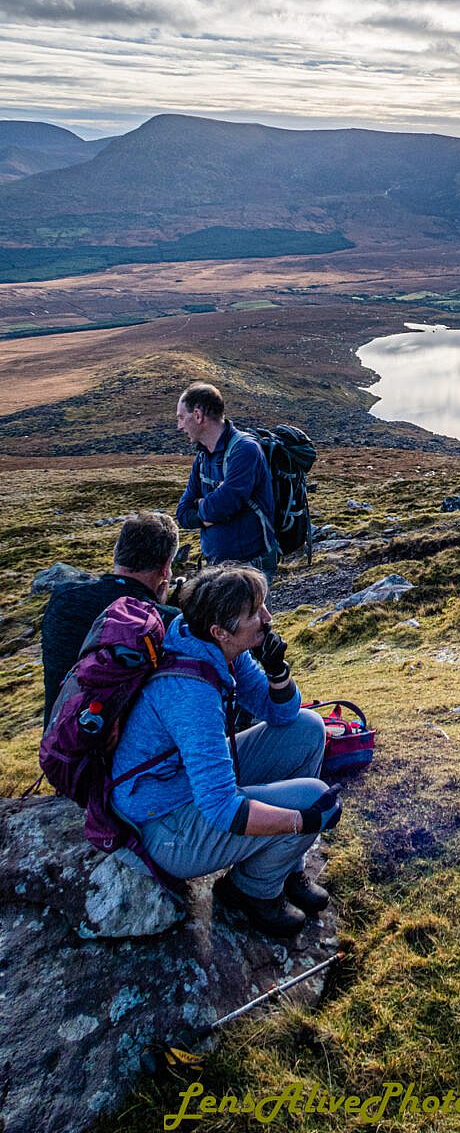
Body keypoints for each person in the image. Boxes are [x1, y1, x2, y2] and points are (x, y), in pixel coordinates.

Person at [111, 565, 338, 937]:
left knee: (307, 728)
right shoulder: (190, 694)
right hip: (164, 825)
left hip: (184, 782)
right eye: (255, 612)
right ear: (220, 630)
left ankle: (284, 865)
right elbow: (220, 807)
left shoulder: (218, 648)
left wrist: (277, 669)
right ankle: (251, 890)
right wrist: (300, 822)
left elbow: (281, 715)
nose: (267, 618)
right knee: (315, 801)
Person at [42, 512, 179, 728]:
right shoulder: (167, 621)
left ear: (116, 554)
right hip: (126, 746)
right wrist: (158, 607)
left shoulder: (64, 599)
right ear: (166, 567)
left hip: (58, 737)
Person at [175, 381, 277, 580]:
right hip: (215, 565)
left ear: (198, 415)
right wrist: (212, 505)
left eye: (181, 418)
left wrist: (201, 503)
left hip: (250, 567)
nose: (179, 426)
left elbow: (224, 505)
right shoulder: (202, 456)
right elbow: (183, 513)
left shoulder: (245, 449)